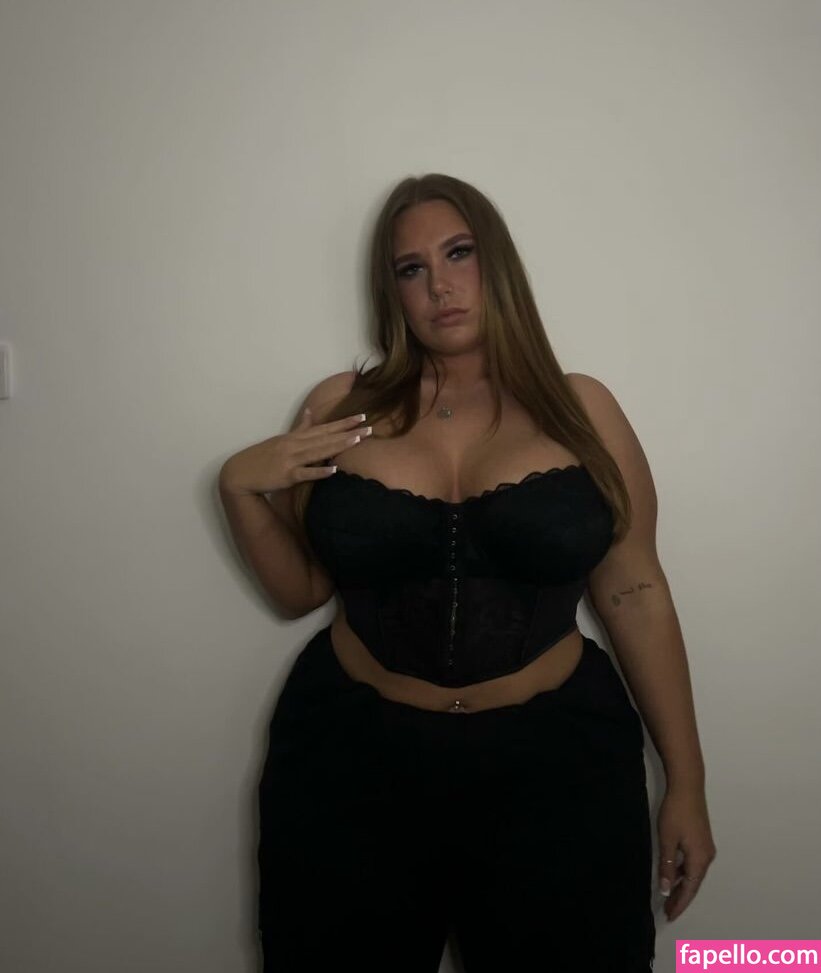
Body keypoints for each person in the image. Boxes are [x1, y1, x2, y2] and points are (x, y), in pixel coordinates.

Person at [219, 173, 716, 972]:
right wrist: (239, 488)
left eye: (459, 254)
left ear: (498, 264)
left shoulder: (580, 409)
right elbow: (298, 591)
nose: (439, 286)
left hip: (557, 768)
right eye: (410, 268)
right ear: (391, 289)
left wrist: (686, 780)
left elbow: (633, 590)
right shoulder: (343, 407)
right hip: (353, 764)